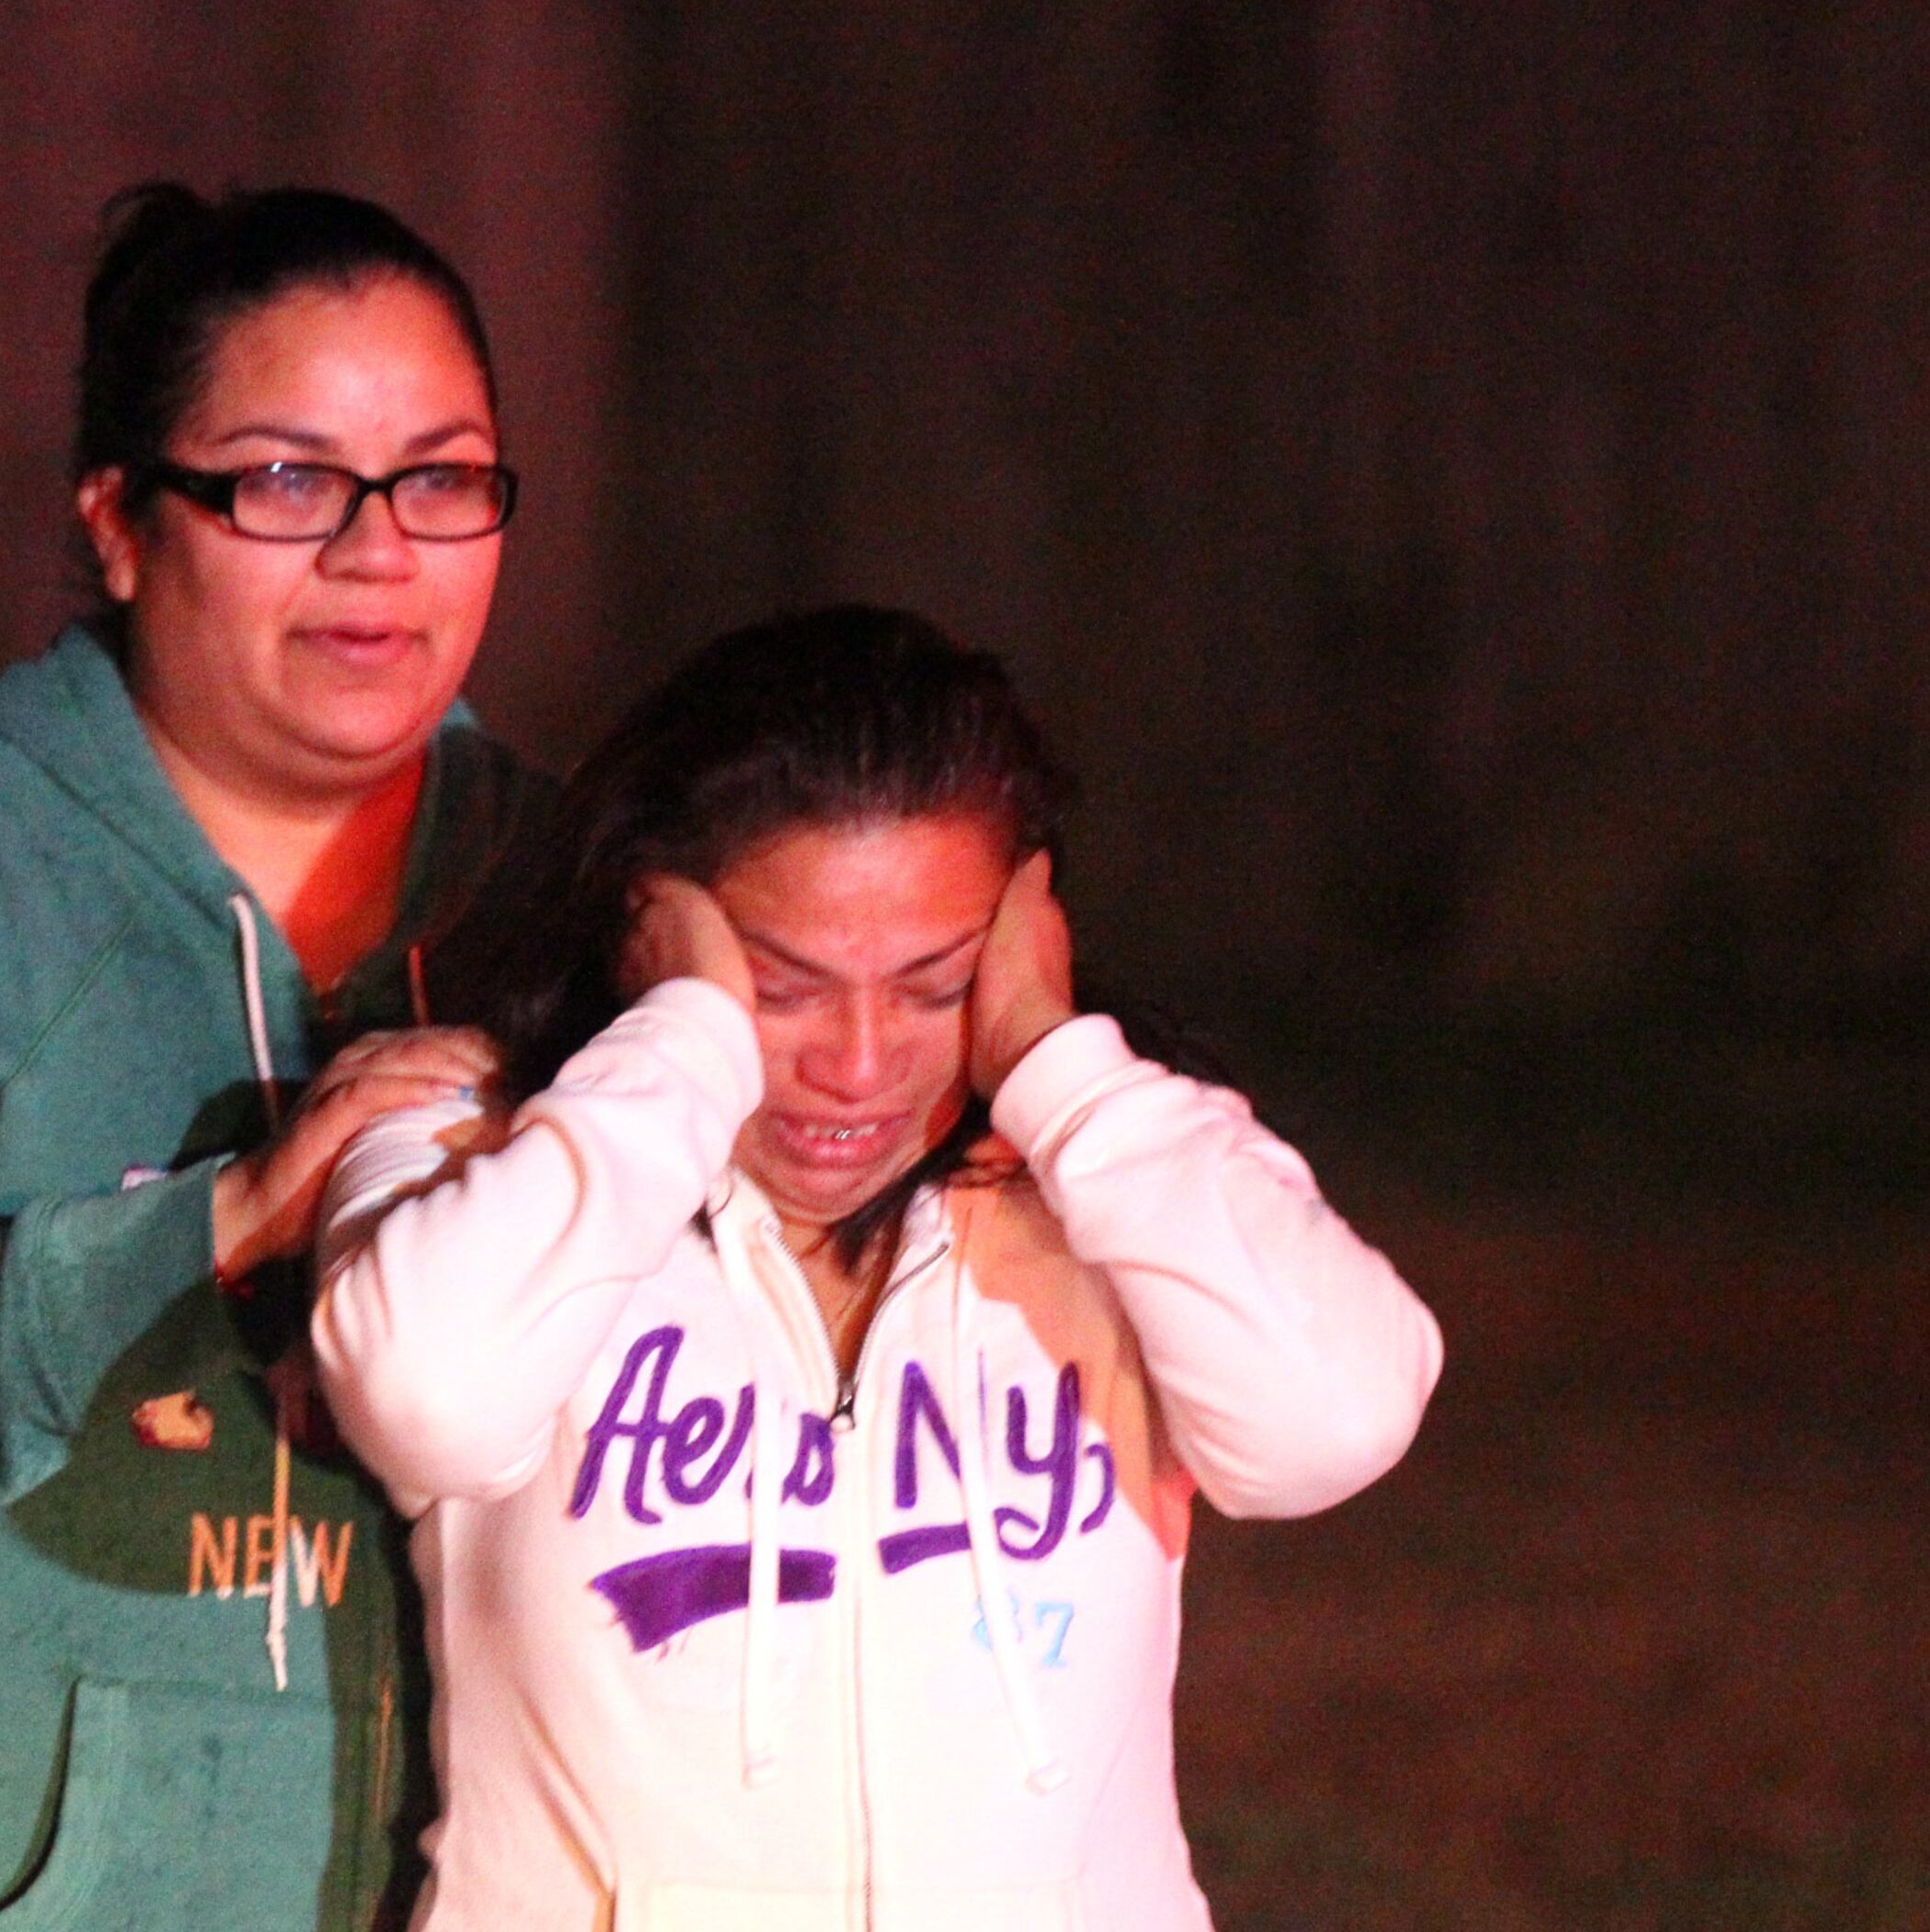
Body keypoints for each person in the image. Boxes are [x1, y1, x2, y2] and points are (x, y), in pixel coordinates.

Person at [0, 184, 543, 1932]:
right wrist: (214, 1226)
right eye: (288, 483)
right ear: (122, 525)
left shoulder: (564, 895)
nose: (380, 554)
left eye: (440, 480)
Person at [310, 606, 1444, 1931]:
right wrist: (678, 1054)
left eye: (932, 984)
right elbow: (423, 1396)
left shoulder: (1119, 1181)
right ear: (653, 930)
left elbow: (1339, 1420)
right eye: (784, 987)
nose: (857, 1064)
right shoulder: (489, 1161)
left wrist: (1055, 1067)